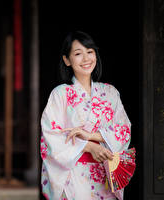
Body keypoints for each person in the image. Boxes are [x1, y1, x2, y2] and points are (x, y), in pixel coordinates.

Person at [40, 31, 131, 200]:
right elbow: (51, 135)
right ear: (67, 60)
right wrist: (89, 147)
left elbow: (124, 129)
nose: (86, 58)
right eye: (77, 54)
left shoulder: (110, 93)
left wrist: (92, 136)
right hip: (73, 176)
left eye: (90, 51)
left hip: (104, 176)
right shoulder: (60, 94)